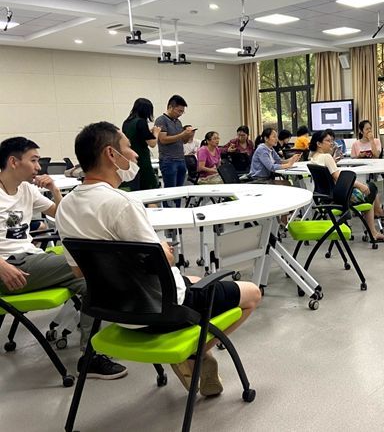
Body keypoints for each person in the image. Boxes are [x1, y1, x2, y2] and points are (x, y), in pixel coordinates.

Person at [56, 121, 261, 396]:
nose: (135, 154)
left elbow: (79, 272)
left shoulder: (66, 206)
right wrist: (163, 250)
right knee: (252, 293)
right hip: (159, 311)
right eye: (129, 147)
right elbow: (163, 263)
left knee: (194, 278)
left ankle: (193, 354)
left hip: (114, 310)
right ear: (110, 154)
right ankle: (193, 353)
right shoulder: (122, 204)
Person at [0, 136, 127, 379]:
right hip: (10, 269)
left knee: (92, 282)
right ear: (13, 162)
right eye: (33, 160)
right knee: (92, 261)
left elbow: (61, 214)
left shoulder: (27, 189)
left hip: (32, 261)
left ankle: (90, 356)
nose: (39, 166)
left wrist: (55, 191)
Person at [309, 130, 384, 243]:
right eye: (328, 141)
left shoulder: (314, 157)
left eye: (331, 141)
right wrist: (359, 185)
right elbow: (338, 178)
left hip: (325, 197)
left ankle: (375, 223)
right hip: (340, 198)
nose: (331, 143)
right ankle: (374, 230)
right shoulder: (326, 157)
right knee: (370, 188)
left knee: (367, 192)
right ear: (319, 144)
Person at [155, 95, 195, 200]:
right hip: (168, 160)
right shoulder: (161, 120)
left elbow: (183, 141)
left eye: (182, 112)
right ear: (170, 107)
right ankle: (169, 208)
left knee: (179, 191)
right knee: (170, 191)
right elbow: (163, 139)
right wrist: (182, 134)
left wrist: (188, 135)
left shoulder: (178, 122)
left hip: (181, 159)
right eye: (179, 111)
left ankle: (178, 207)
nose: (180, 114)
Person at [121, 98, 161, 191]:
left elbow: (136, 136)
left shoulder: (126, 122)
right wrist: (156, 132)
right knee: (147, 185)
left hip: (129, 158)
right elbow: (152, 143)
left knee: (135, 185)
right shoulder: (141, 122)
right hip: (142, 158)